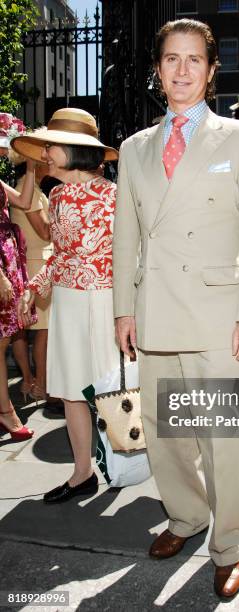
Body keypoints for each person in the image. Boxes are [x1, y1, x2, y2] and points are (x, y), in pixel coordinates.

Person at [113, 18, 239, 599]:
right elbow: (126, 237)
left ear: (211, 71)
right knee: (164, 434)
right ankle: (185, 516)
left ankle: (228, 544)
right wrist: (123, 311)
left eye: (193, 60)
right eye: (171, 59)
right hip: (155, 310)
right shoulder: (134, 150)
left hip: (216, 314)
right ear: (158, 70)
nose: (181, 70)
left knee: (219, 438)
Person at [13, 107, 119, 503]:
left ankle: (133, 462)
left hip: (107, 301)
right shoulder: (55, 195)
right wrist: (33, 286)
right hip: (69, 303)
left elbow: (130, 254)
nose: (44, 153)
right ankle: (82, 474)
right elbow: (59, 254)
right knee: (73, 391)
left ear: (75, 150)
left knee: (113, 390)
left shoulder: (113, 194)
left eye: (51, 145)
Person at [9, 147, 53, 402]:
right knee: (43, 331)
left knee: (22, 331)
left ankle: (28, 382)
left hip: (28, 261)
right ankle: (40, 385)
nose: (50, 161)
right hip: (38, 263)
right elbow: (45, 232)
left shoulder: (22, 188)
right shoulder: (32, 191)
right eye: (45, 157)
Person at [0, 136, 37, 442]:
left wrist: (32, 168)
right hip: (1, 267)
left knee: (4, 340)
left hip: (7, 260)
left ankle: (4, 409)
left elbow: (24, 202)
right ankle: (5, 411)